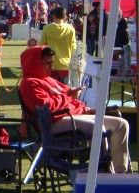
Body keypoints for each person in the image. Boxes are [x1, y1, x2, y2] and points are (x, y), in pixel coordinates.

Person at [20, 45, 130, 173]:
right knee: (97, 126)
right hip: (53, 123)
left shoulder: (49, 80)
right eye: (47, 63)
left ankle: (121, 172)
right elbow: (46, 107)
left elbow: (69, 98)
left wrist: (85, 108)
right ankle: (103, 169)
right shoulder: (29, 83)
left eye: (51, 63)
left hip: (73, 116)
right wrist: (68, 97)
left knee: (121, 124)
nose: (51, 67)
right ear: (35, 63)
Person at [39, 6, 76, 84]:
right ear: (65, 16)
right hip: (65, 64)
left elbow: (41, 45)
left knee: (51, 90)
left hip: (50, 64)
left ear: (54, 16)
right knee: (64, 90)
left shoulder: (46, 28)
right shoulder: (71, 29)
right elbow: (73, 47)